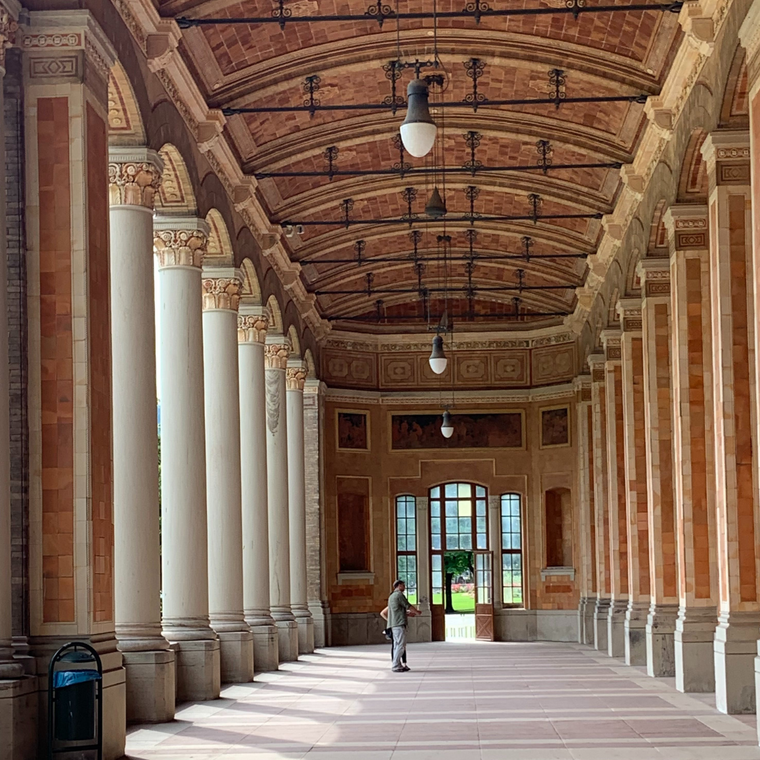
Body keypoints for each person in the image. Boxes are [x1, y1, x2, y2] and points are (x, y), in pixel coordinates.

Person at [386, 579, 420, 672]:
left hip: (394, 624)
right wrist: (417, 612)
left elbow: (398, 610)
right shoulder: (399, 595)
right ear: (399, 585)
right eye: (403, 585)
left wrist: (408, 614)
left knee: (397, 645)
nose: (404, 587)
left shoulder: (391, 596)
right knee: (401, 645)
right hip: (399, 624)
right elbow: (407, 605)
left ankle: (398, 664)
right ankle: (396, 665)